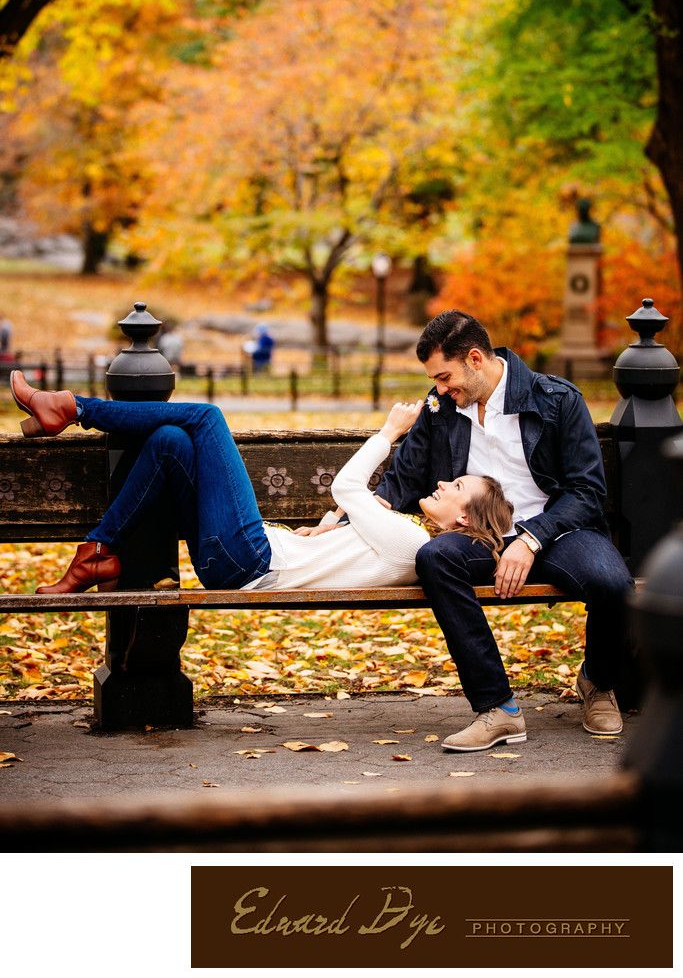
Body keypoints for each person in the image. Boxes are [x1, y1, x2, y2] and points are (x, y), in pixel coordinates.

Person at [9, 370, 512, 607]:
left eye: (457, 486)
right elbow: (355, 515)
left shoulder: (412, 544)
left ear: (465, 519)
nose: (444, 482)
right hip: (243, 558)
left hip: (250, 560)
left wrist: (388, 433)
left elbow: (346, 486)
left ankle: (73, 408)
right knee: (167, 442)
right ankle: (99, 550)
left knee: (207, 418)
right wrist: (331, 528)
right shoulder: (408, 540)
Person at [367, 310, 634, 752]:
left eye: (444, 376)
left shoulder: (558, 400)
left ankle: (598, 682)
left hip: (558, 531)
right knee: (435, 559)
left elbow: (587, 491)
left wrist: (531, 539)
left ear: (475, 358)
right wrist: (338, 521)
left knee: (612, 582)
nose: (439, 388)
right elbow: (402, 480)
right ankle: (498, 708)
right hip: (481, 538)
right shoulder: (442, 410)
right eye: (434, 379)